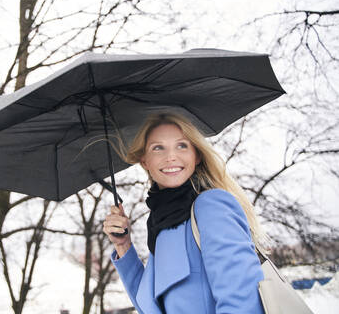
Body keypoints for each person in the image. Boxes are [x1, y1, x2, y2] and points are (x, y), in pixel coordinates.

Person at [103, 113, 266, 314]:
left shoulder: (210, 205)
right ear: (144, 161)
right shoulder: (160, 227)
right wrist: (123, 245)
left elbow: (243, 301)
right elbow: (150, 308)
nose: (171, 156)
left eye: (182, 145)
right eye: (158, 147)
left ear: (196, 155)